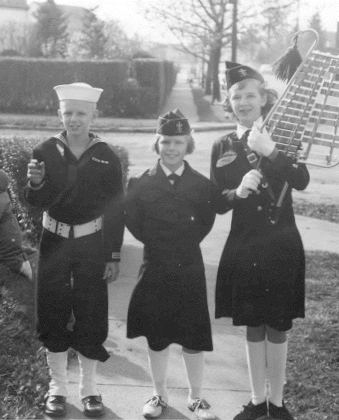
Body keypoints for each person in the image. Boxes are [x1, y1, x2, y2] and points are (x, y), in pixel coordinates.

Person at [210, 62, 310, 420]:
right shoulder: (222, 144)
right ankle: (256, 400)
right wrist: (236, 191)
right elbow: (216, 202)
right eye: (236, 96)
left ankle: (278, 403)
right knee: (253, 321)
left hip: (281, 240)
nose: (243, 101)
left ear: (264, 98)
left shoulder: (282, 134)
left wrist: (272, 152)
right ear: (229, 101)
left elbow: (301, 179)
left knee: (278, 322)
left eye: (250, 94)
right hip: (245, 243)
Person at [24, 82, 125, 418]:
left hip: (91, 244)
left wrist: (113, 254)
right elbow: (35, 202)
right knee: (51, 308)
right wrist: (35, 185)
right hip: (54, 240)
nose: (74, 119)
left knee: (91, 310)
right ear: (59, 114)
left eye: (81, 113)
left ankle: (89, 388)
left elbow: (115, 210)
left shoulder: (107, 156)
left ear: (94, 114)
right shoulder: (45, 149)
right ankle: (57, 387)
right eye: (68, 113)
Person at [125, 110, 218, 420]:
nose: (171, 148)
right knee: (157, 333)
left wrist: (182, 241)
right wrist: (159, 241)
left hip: (189, 263)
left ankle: (196, 398)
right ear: (157, 143)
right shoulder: (140, 182)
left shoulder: (201, 185)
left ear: (187, 143)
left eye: (178, 142)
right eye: (165, 141)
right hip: (156, 264)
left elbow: (205, 222)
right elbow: (134, 222)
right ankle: (159, 394)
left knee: (193, 335)